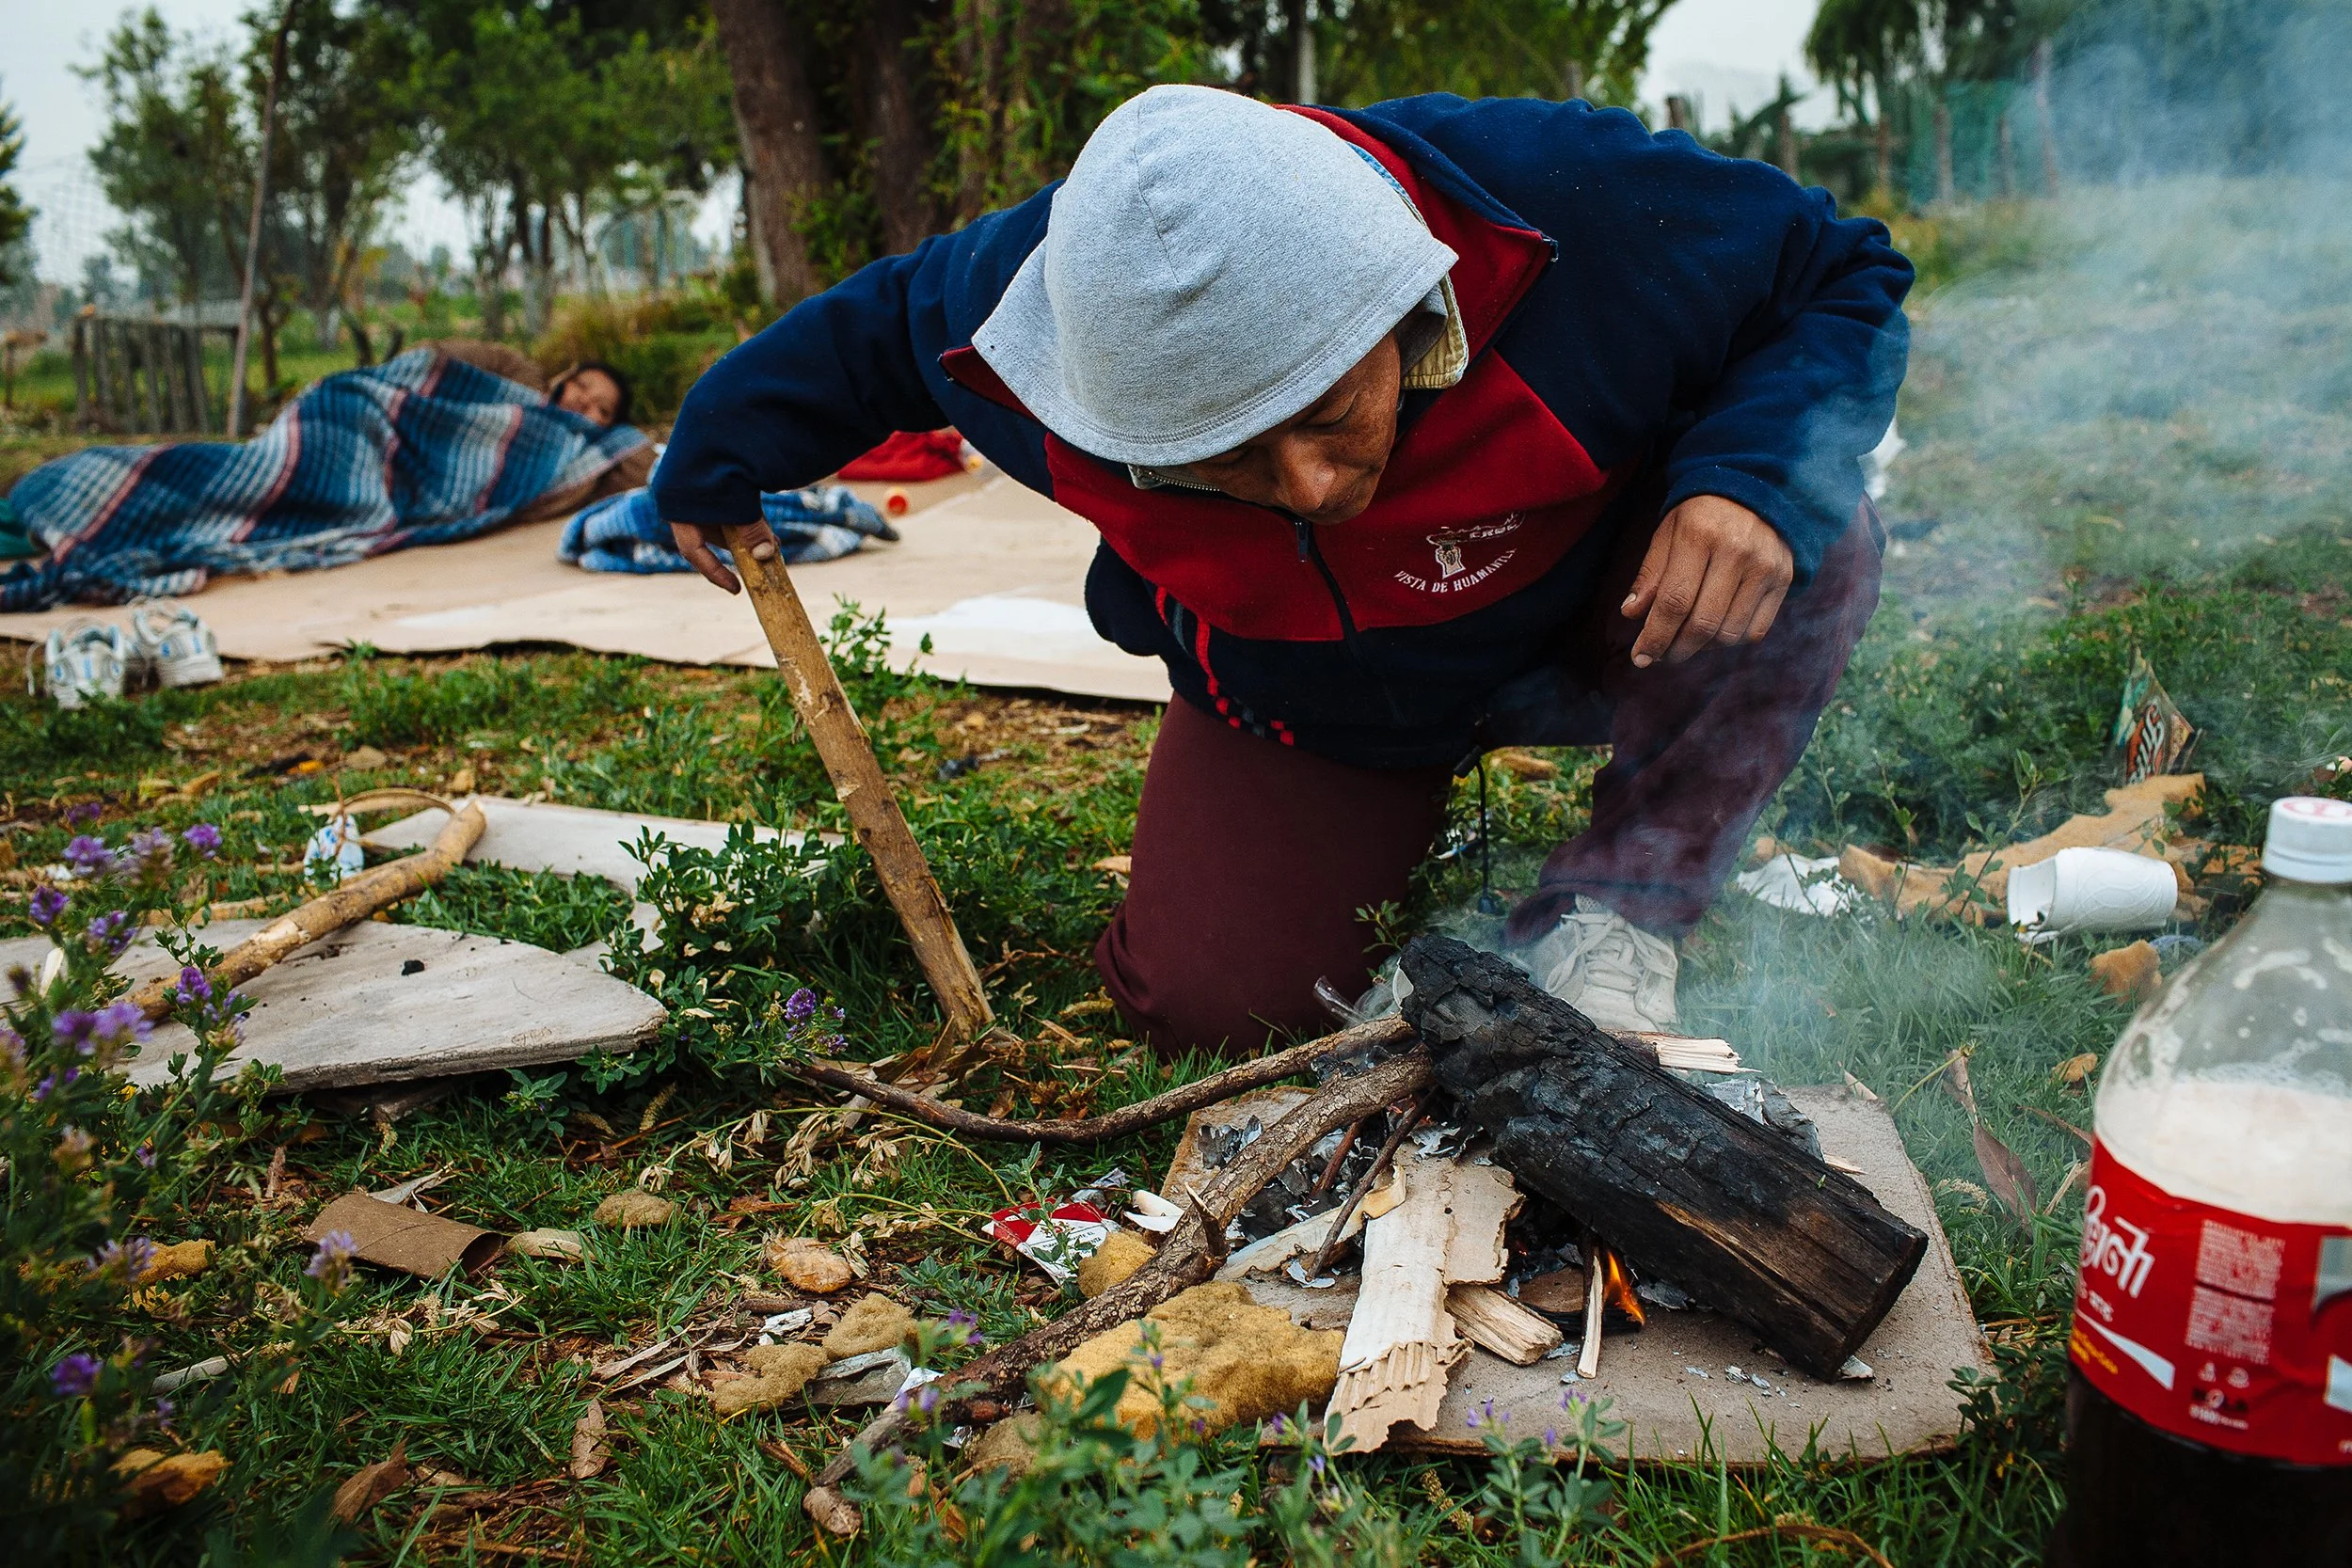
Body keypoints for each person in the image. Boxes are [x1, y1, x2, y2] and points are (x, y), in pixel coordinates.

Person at [655, 86, 1912, 1053]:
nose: (1310, 485)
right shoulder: (1026, 314)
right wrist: (715, 449)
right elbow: (875, 330)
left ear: (1399, 294)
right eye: (1230, 457)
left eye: (1325, 413)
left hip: (1592, 605)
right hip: (1313, 694)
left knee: (1807, 524)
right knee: (1217, 1005)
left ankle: (1623, 903)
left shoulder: (1567, 195)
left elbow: (1839, 272)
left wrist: (1749, 476)